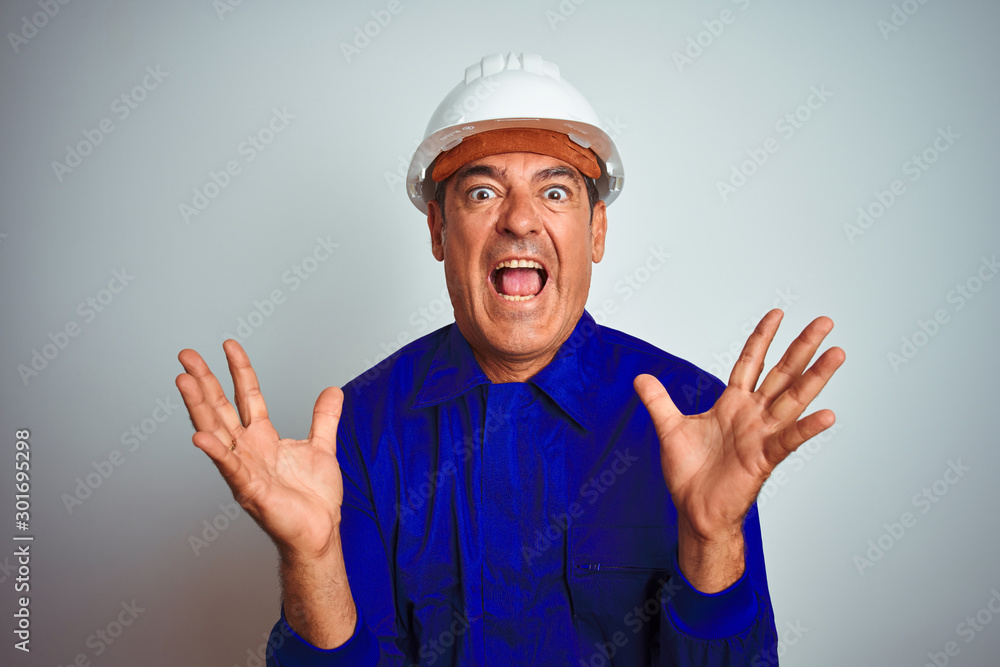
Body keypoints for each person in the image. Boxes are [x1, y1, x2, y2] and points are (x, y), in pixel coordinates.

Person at [175, 53, 844, 665]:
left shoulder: (700, 418)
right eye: (482, 191)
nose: (520, 220)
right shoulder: (360, 428)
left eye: (555, 192)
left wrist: (710, 538)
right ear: (439, 229)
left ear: (596, 230)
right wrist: (312, 558)